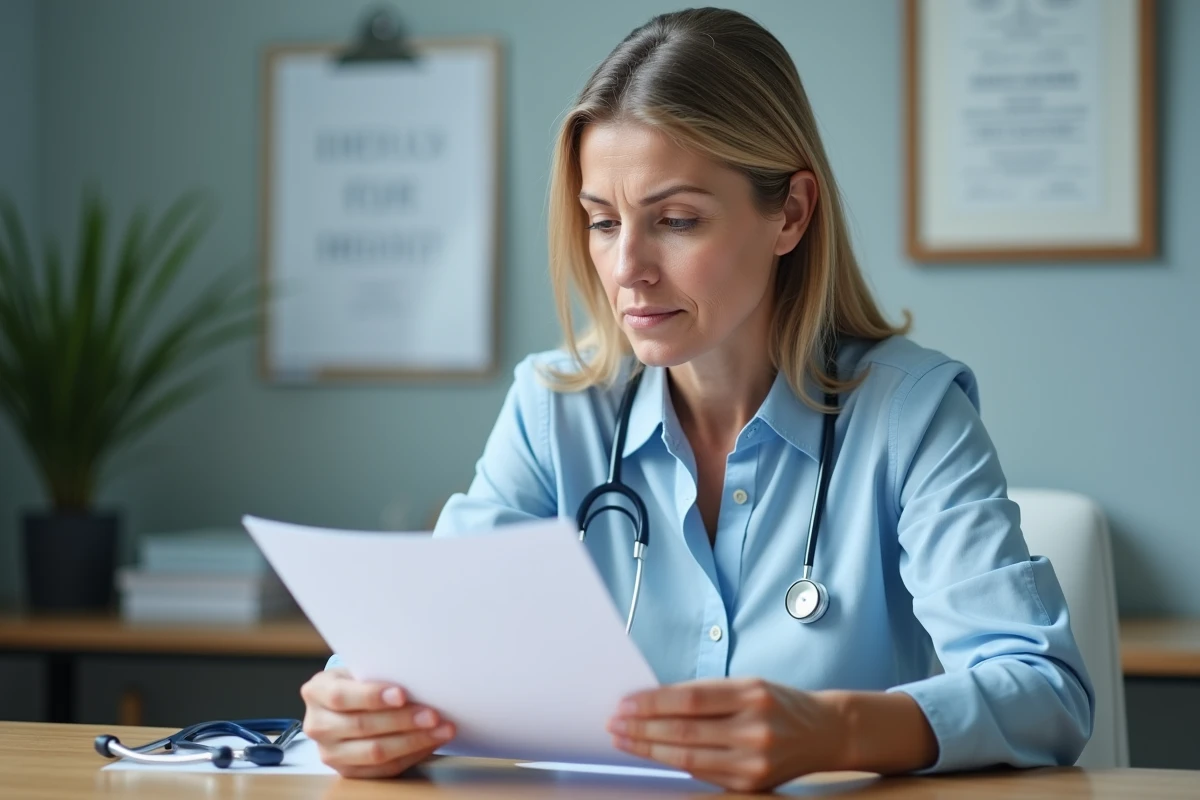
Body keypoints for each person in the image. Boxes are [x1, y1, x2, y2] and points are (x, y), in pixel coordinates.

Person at [299, 7, 1094, 791]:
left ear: (790, 212)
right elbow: (414, 644)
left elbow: (1046, 691)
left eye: (676, 220)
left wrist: (836, 730)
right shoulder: (555, 411)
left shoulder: (911, 415)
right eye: (603, 222)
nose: (628, 267)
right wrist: (359, 709)